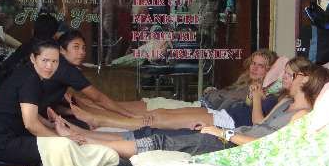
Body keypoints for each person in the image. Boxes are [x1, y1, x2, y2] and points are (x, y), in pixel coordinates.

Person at [54, 59, 329, 159]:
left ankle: (84, 138)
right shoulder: (286, 102)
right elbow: (259, 126)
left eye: (294, 75)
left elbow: (267, 146)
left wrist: (223, 133)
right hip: (230, 131)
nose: (286, 77)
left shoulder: (301, 116)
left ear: (305, 81)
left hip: (233, 144)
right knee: (154, 128)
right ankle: (85, 134)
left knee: (159, 135)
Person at [67, 49, 280, 131]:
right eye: (253, 63)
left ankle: (98, 117)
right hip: (206, 107)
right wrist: (214, 92)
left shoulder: (259, 92)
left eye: (261, 66)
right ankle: (93, 110)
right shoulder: (245, 83)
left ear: (270, 70)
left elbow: (232, 108)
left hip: (210, 111)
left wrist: (215, 95)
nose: (254, 68)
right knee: (146, 106)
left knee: (152, 113)